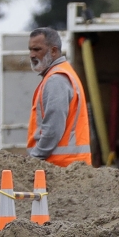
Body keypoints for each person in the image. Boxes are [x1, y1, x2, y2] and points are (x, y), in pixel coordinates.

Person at [26, 27, 92, 167]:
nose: (32, 55)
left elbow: (53, 128)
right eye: (30, 49)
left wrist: (34, 159)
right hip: (68, 167)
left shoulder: (56, 80)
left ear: (53, 51)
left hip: (60, 167)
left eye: (37, 49)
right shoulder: (61, 74)